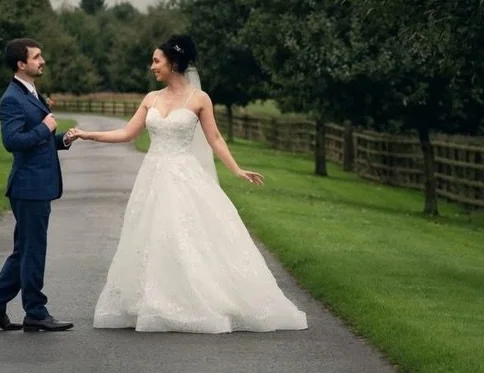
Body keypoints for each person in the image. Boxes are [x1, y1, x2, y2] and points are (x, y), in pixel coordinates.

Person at [67, 34, 308, 333]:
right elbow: (127, 133)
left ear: (173, 62)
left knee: (186, 235)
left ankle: (197, 299)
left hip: (184, 176)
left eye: (157, 61)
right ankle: (154, 300)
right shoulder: (151, 98)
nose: (152, 66)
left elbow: (215, 138)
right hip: (152, 178)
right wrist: (87, 134)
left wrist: (237, 169)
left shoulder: (199, 99)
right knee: (151, 237)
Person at [0, 38, 78, 333]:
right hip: (29, 187)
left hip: (35, 185)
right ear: (21, 64)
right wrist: (45, 127)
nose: (42, 60)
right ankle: (35, 311)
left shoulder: (31, 93)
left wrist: (62, 140)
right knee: (33, 251)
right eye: (36, 57)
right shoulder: (11, 98)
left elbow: (39, 141)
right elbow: (13, 142)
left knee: (24, 250)